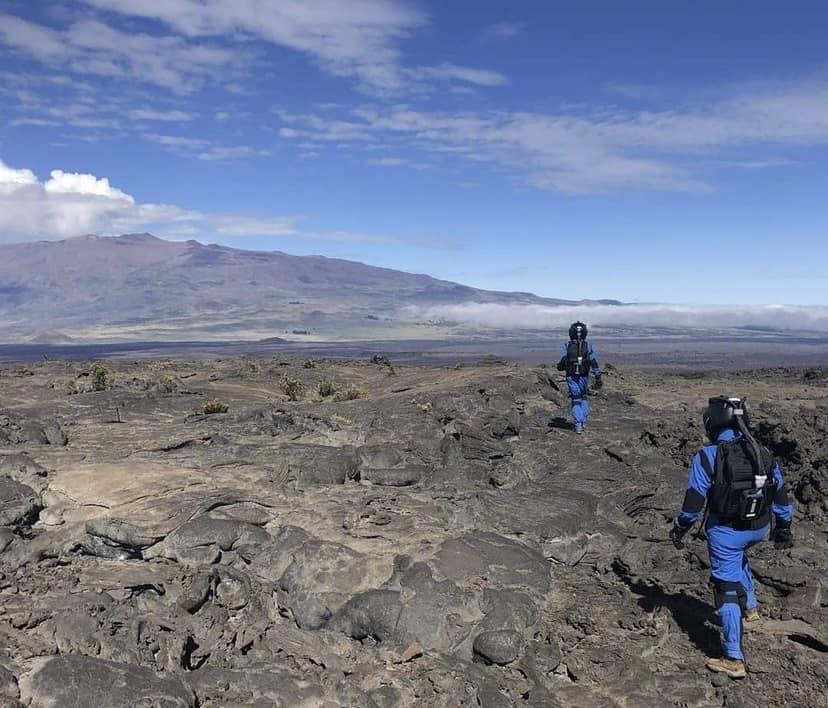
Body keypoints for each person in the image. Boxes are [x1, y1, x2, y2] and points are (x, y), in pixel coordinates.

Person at [670, 396, 794, 678]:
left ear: (711, 422)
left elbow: (692, 506)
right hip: (759, 528)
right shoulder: (762, 452)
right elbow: (781, 497)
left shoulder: (708, 455)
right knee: (739, 558)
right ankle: (751, 610)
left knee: (725, 588)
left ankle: (733, 659)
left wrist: (679, 529)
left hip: (725, 533)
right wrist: (783, 528)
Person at [556, 321, 602, 433]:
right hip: (584, 376)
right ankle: (583, 420)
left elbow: (562, 362)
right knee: (583, 396)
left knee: (576, 399)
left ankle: (578, 424)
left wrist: (560, 367)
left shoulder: (567, 346)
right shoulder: (588, 345)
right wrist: (598, 375)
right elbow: (594, 361)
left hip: (572, 376)